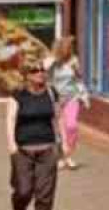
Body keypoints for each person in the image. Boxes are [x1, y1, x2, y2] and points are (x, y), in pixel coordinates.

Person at [6, 59, 65, 210]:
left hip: (48, 150)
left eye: (42, 70)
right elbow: (11, 119)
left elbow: (58, 117)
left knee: (45, 195)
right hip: (23, 150)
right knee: (23, 191)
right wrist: (11, 144)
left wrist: (63, 142)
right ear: (27, 75)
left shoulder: (51, 93)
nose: (40, 73)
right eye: (35, 71)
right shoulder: (18, 94)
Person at [46, 36, 89, 170]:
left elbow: (78, 79)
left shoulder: (73, 60)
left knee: (71, 126)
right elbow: (44, 75)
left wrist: (84, 96)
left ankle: (68, 155)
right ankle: (61, 157)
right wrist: (53, 61)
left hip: (72, 97)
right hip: (56, 99)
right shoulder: (51, 61)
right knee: (58, 130)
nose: (71, 50)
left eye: (71, 47)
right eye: (68, 47)